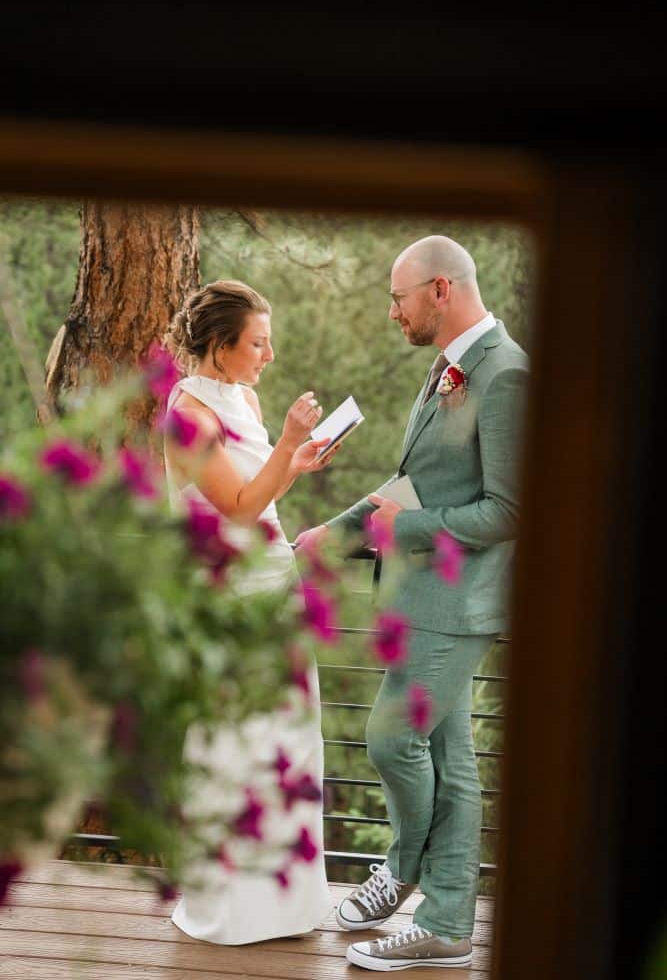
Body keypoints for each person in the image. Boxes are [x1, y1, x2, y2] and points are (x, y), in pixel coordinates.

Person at [296, 235, 529, 971]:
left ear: (438, 290)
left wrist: (414, 530)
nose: (390, 311)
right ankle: (449, 927)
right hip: (424, 598)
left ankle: (402, 874)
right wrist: (329, 537)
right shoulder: (447, 369)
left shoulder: (505, 375)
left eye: (397, 297)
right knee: (451, 763)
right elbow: (413, 486)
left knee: (392, 740)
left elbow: (510, 509)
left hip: (457, 603)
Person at [162, 279, 337, 944]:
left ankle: (287, 907)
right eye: (257, 342)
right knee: (234, 745)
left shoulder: (244, 397)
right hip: (228, 594)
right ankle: (229, 912)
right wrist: (289, 444)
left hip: (274, 580)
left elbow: (263, 493)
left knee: (288, 740)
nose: (269, 353)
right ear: (219, 345)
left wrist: (296, 458)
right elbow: (234, 510)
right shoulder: (187, 413)